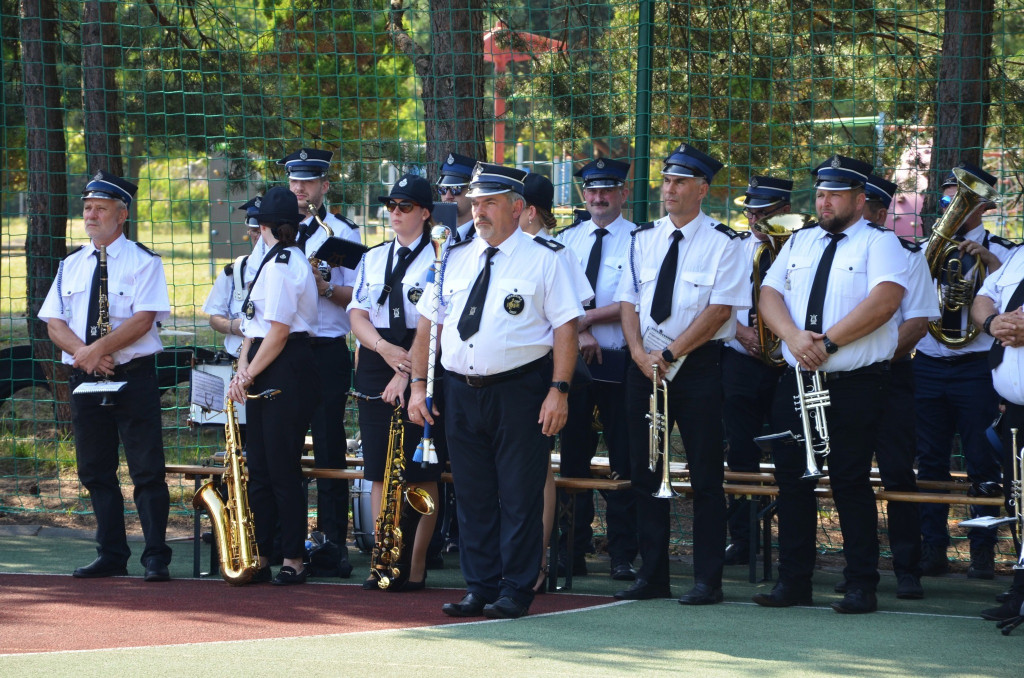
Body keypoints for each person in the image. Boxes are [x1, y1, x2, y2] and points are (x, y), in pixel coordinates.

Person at [408, 162, 582, 619]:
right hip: (460, 391)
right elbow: (430, 324)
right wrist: (418, 385)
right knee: (472, 493)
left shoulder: (546, 258)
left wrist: (558, 390)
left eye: (490, 202)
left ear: (518, 207)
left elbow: (567, 327)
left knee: (519, 494)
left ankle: (515, 589)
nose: (479, 210)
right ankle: (480, 586)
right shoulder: (455, 256)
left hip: (520, 390)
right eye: (477, 201)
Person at [753, 155, 907, 614]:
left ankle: (861, 583)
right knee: (792, 481)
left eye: (835, 194)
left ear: (860, 200)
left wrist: (829, 344)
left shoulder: (880, 243)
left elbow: (886, 301)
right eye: (821, 193)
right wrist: (795, 338)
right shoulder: (799, 241)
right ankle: (793, 582)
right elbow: (769, 294)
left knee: (849, 480)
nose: (825, 201)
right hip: (798, 377)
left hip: (855, 381)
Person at [613, 143, 748, 605]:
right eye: (667, 181)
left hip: (698, 370)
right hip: (644, 369)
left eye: (679, 182)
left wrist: (668, 353)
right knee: (645, 471)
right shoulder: (642, 238)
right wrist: (637, 352)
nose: (668, 189)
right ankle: (652, 575)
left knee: (706, 475)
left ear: (702, 189)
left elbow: (721, 310)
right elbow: (629, 302)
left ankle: (707, 579)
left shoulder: (727, 243)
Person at [38, 170, 172, 581]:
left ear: (122, 214)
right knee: (95, 469)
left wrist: (100, 350)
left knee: (146, 469)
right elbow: (53, 322)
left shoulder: (143, 262)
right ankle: (111, 552)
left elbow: (144, 319)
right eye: (87, 208)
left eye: (100, 209)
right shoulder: (71, 264)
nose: (91, 215)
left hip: (133, 375)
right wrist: (86, 355)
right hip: (86, 376)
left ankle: (155, 557)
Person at [831, 173, 937, 599]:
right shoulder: (832, 248)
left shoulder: (906, 254)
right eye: (867, 205)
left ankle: (908, 568)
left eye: (877, 206)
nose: (872, 213)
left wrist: (877, 357)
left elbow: (917, 321)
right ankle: (859, 569)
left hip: (889, 377)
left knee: (897, 473)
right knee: (847, 472)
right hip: (844, 377)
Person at [913, 162, 1013, 579]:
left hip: (976, 367)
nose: (951, 204)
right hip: (930, 364)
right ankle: (933, 550)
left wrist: (990, 263)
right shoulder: (924, 248)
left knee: (981, 463)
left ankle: (982, 553)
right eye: (947, 197)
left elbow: (1009, 309)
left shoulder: (1005, 252)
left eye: (961, 197)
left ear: (984, 205)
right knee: (929, 461)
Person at [349, 174, 443, 591]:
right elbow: (357, 315)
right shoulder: (372, 258)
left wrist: (405, 373)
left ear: (425, 213)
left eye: (405, 207)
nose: (395, 213)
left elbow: (435, 325)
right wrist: (384, 352)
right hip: (379, 356)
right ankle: (383, 561)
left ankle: (416, 566)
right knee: (378, 469)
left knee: (421, 471)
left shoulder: (442, 258)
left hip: (423, 361)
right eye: (391, 205)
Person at [227, 186, 320, 585]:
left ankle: (293, 556)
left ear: (262, 224)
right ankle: (263, 551)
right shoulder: (266, 260)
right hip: (265, 359)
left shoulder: (283, 263)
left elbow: (279, 332)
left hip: (288, 364)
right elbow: (254, 326)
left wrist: (247, 375)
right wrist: (241, 367)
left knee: (281, 467)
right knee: (260, 466)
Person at [278, 147, 362, 576]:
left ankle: (332, 542)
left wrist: (324, 286)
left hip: (327, 351)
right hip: (284, 351)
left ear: (325, 186)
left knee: (329, 447)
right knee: (282, 446)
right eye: (294, 181)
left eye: (308, 182)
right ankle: (285, 539)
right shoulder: (272, 231)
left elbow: (360, 298)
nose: (300, 190)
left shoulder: (341, 232)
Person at [555, 158, 639, 581]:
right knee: (573, 459)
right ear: (583, 194)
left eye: (608, 190)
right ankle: (571, 548)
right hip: (575, 364)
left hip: (622, 363)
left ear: (623, 194)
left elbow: (633, 301)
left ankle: (622, 552)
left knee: (624, 460)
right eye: (591, 190)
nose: (599, 198)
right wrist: (579, 331)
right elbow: (557, 297)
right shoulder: (566, 240)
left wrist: (586, 320)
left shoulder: (640, 240)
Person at [518, 172, 594, 592]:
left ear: (527, 210)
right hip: (503, 371)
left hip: (543, 370)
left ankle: (537, 561)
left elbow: (572, 317)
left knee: (536, 469)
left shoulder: (554, 251)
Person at [720, 175, 792, 565]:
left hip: (789, 363)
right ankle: (743, 539)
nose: (754, 221)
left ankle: (794, 543)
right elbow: (716, 302)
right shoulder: (736, 249)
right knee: (740, 452)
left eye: (763, 214)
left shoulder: (803, 248)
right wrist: (742, 332)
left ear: (785, 211)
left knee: (791, 453)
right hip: (742, 359)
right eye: (750, 212)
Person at [972, 244, 1024, 622]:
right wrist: (993, 322)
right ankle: (1020, 595)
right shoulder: (1019, 254)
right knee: (1018, 504)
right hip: (1015, 411)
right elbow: (984, 296)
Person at [203, 197, 264, 359]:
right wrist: (232, 326)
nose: (259, 237)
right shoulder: (234, 271)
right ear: (249, 232)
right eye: (255, 231)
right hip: (236, 358)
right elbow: (214, 317)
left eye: (263, 231)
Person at [436, 151, 479, 245]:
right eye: (442, 189)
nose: (448, 196)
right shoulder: (436, 235)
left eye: (455, 189)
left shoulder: (484, 237)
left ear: (473, 191)